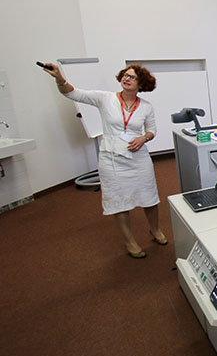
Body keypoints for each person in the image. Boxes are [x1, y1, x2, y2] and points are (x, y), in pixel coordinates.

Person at [42, 63, 166, 259]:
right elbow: (73, 93)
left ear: (141, 83)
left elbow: (152, 130)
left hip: (139, 158)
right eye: (125, 75)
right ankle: (130, 241)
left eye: (132, 77)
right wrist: (59, 78)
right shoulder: (105, 98)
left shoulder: (146, 107)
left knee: (149, 196)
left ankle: (155, 229)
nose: (127, 78)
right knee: (118, 200)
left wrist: (144, 138)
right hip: (112, 159)